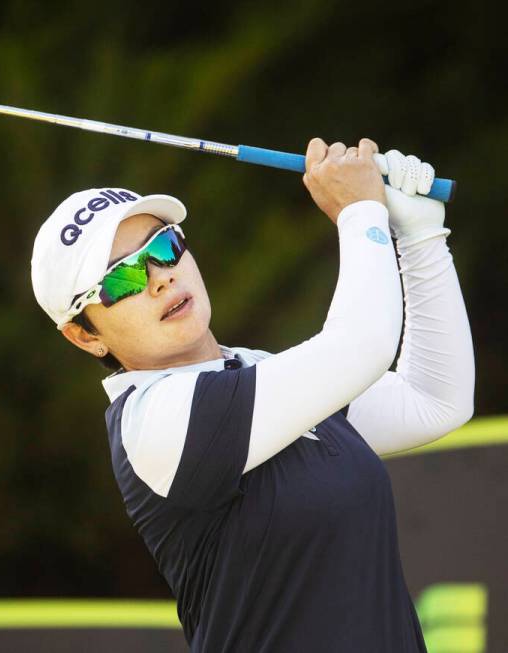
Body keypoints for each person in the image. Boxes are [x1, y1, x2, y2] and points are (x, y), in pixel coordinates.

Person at [29, 138, 475, 652]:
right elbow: (363, 343)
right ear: (86, 335)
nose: (160, 277)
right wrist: (360, 211)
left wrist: (419, 236)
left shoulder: (257, 372)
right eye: (123, 278)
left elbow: (434, 399)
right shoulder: (154, 423)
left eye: (163, 246)